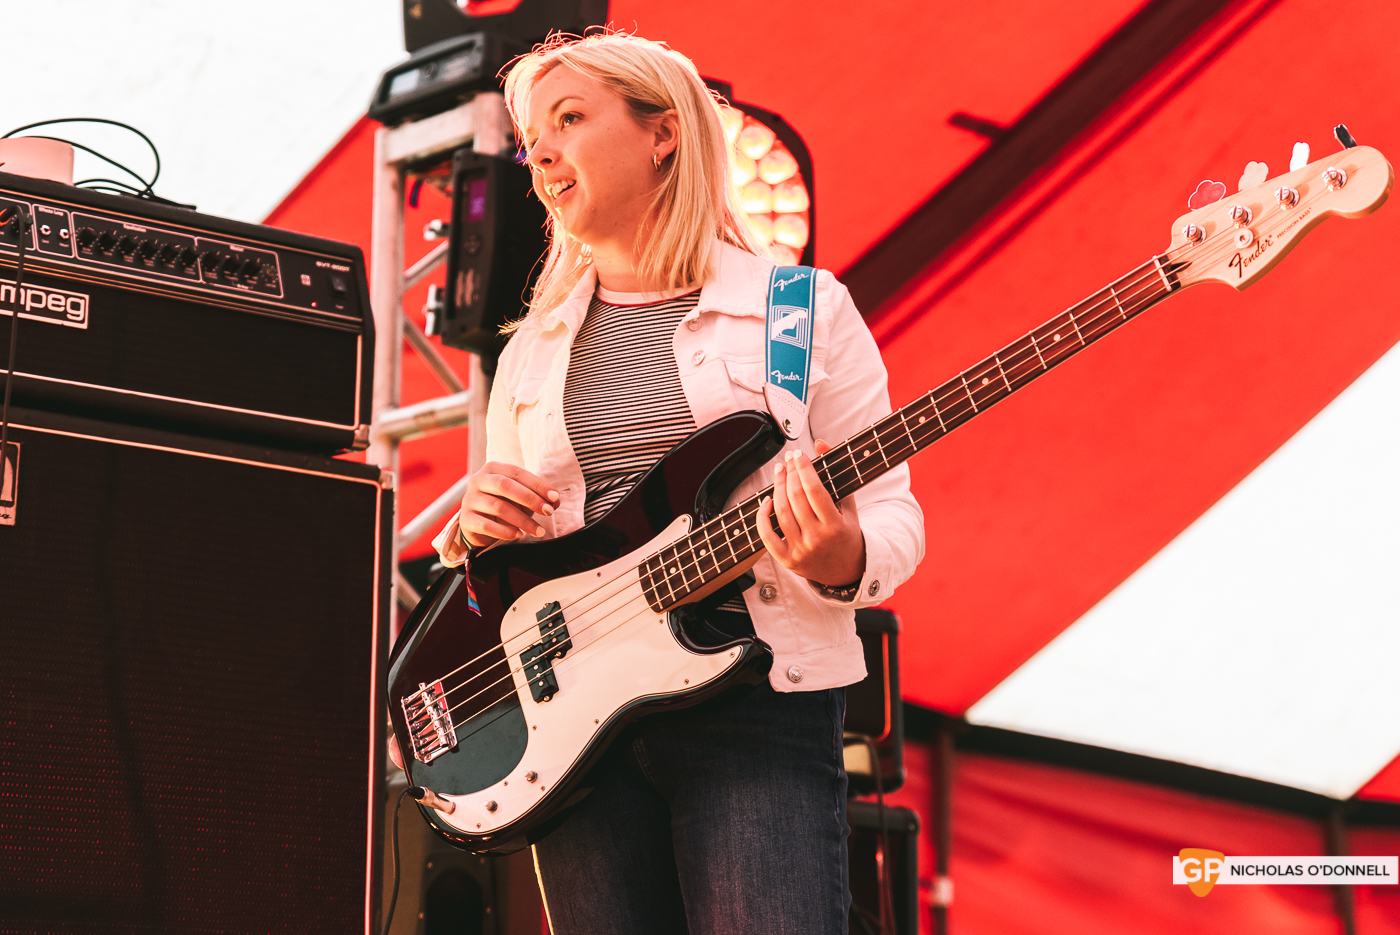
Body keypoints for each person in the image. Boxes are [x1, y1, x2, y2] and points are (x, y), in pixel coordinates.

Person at [426, 31, 923, 935]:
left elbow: (892, 514)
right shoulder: (532, 350)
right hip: (576, 739)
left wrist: (840, 553)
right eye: (534, 137)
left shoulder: (800, 309)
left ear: (663, 133)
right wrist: (476, 530)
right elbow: (509, 574)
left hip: (757, 710)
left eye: (569, 120)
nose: (540, 152)